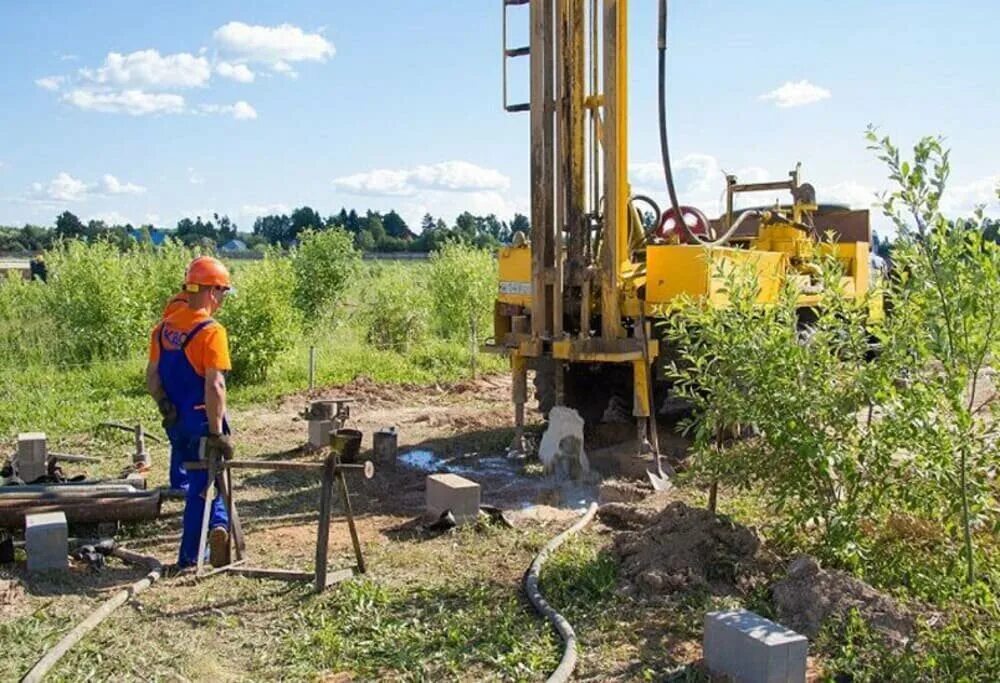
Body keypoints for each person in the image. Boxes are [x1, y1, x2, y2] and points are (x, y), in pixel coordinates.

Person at [146, 256, 235, 568]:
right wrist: (215, 432)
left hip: (176, 421)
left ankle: (220, 527)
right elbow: (215, 387)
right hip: (202, 420)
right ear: (212, 292)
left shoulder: (162, 329)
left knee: (206, 477)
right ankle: (190, 556)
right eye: (223, 292)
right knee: (202, 486)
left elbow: (152, 377)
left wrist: (165, 407)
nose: (223, 299)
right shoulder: (211, 331)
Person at [158, 256, 214, 492]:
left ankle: (181, 480)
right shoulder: (182, 306)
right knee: (192, 438)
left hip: (171, 371)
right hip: (190, 372)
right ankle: (186, 482)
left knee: (179, 433)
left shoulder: (173, 303)